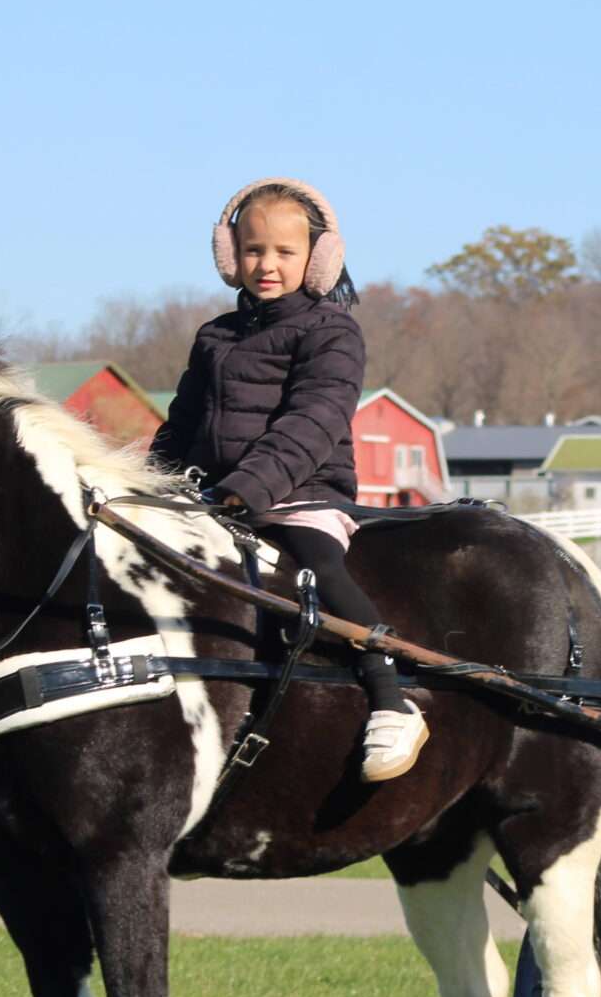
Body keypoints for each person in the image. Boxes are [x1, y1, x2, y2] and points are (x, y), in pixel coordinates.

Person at [149, 178, 426, 782]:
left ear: (319, 259)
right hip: (214, 500)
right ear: (230, 256)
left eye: (284, 252)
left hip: (300, 495)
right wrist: (152, 482)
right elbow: (181, 422)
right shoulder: (215, 336)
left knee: (316, 568)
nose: (266, 265)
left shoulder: (331, 332)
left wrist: (249, 486)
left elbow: (315, 419)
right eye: (253, 251)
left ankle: (391, 698)